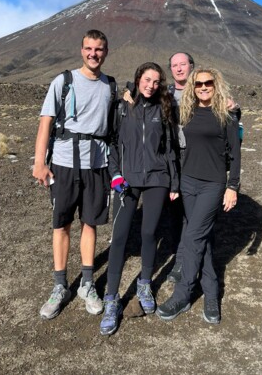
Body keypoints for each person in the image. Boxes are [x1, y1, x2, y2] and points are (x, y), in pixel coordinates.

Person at [32, 29, 114, 320]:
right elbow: (46, 123)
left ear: (106, 52)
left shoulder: (110, 86)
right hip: (65, 164)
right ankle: (59, 287)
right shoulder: (63, 81)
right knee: (62, 224)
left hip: (97, 166)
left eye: (99, 49)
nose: (94, 54)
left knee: (90, 223)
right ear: (82, 50)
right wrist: (39, 163)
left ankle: (87, 284)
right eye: (89, 48)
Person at [99, 62, 180, 336]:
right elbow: (111, 143)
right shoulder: (123, 107)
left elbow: (169, 149)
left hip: (157, 179)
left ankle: (145, 283)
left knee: (148, 233)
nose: (151, 85)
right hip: (128, 180)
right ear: (137, 79)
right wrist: (115, 175)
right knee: (119, 237)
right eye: (147, 80)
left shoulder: (164, 109)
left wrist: (174, 181)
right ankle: (112, 299)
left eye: (156, 82)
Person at [156, 68, 241, 325]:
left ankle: (182, 295)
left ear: (216, 85)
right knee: (201, 239)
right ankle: (212, 294)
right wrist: (129, 94)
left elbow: (236, 154)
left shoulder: (226, 114)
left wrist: (232, 186)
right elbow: (158, 110)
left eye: (209, 83)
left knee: (193, 236)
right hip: (188, 182)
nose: (203, 87)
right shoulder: (186, 112)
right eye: (199, 83)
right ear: (192, 87)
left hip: (212, 185)